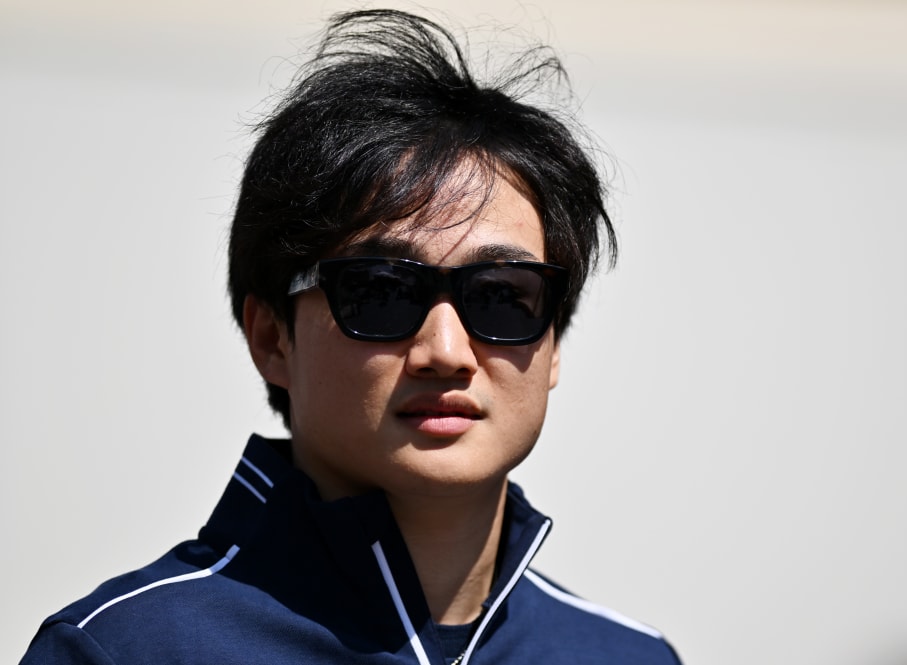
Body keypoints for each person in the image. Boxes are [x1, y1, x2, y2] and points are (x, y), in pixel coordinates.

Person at [21, 9, 681, 664]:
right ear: (272, 338)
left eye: (502, 297)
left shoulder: (628, 656)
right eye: (381, 290)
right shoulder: (126, 649)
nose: (446, 352)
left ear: (554, 343)